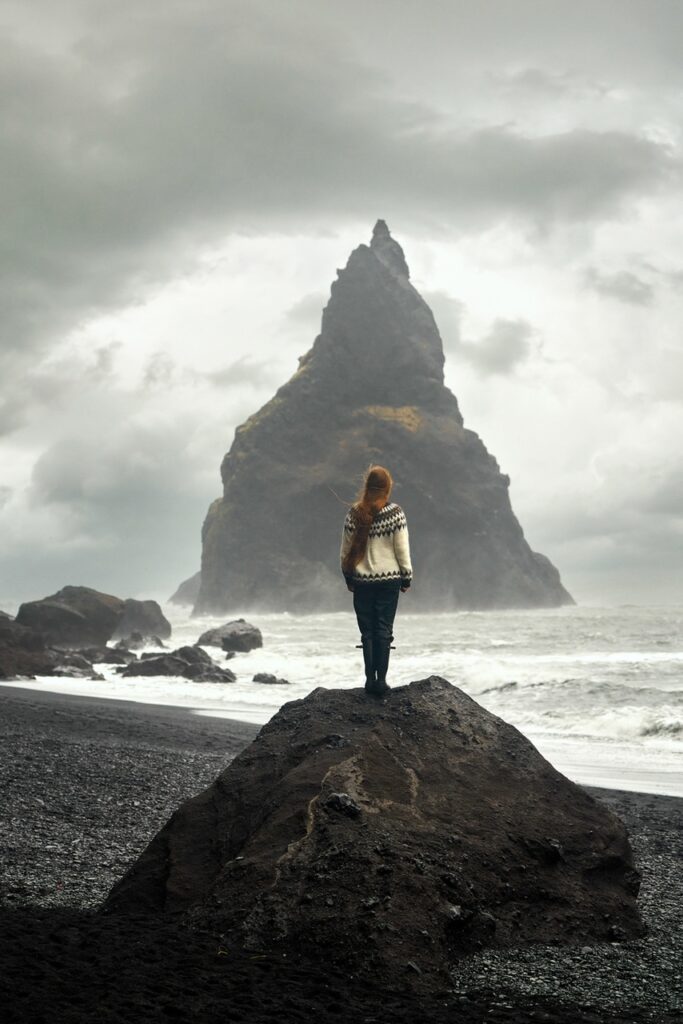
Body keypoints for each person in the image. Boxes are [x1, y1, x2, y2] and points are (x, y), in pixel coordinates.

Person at [339, 465, 412, 696]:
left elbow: (345, 551)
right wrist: (406, 577)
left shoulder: (353, 513)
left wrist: (348, 576)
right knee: (384, 630)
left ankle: (369, 680)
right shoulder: (395, 513)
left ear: (367, 487)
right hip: (389, 580)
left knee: (367, 632)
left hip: (362, 582)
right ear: (387, 487)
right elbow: (402, 549)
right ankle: (381, 682)